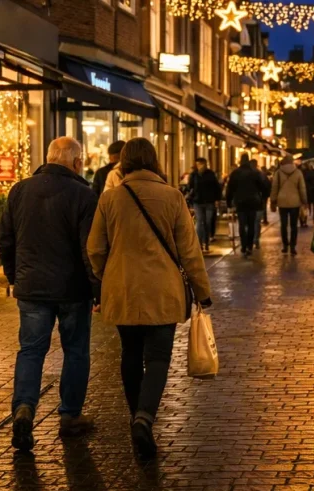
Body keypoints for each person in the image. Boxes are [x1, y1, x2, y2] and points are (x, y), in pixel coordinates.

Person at [86, 137, 212, 457]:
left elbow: (95, 248)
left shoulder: (110, 198)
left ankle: (135, 416)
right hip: (163, 290)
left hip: (123, 289)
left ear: (124, 161)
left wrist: (108, 274)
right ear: (154, 161)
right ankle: (144, 418)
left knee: (130, 352)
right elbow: (190, 251)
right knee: (157, 357)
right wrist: (202, 291)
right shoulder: (172, 196)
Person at [0, 137, 99, 451]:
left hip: (32, 287)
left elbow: (5, 239)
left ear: (48, 158)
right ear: (77, 162)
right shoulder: (84, 195)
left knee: (30, 350)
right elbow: (89, 249)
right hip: (73, 289)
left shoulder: (19, 190)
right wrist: (97, 289)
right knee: (76, 350)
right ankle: (70, 416)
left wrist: (15, 277)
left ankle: (24, 408)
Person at [226, 154, 267, 257]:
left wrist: (229, 202)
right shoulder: (255, 172)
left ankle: (243, 246)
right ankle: (249, 246)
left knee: (242, 224)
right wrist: (262, 198)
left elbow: (230, 188)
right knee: (251, 224)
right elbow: (263, 186)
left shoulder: (235, 173)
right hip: (253, 202)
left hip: (240, 201)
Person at [270, 155, 307, 255]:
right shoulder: (298, 172)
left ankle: (285, 245)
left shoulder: (278, 173)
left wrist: (273, 200)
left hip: (282, 202)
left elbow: (274, 187)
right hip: (295, 201)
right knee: (294, 225)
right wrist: (304, 201)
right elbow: (302, 188)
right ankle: (293, 246)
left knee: (283, 225)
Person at [187, 157, 222, 253]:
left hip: (209, 202)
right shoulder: (194, 175)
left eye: (201, 164)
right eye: (198, 164)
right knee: (200, 222)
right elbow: (190, 187)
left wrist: (217, 199)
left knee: (207, 222)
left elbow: (216, 187)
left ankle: (206, 243)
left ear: (205, 164)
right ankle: (199, 244)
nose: (199, 166)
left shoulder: (211, 174)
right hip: (198, 202)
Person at [255, 160, 271, 248]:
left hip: (248, 202)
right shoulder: (260, 175)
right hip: (259, 200)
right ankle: (256, 239)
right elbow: (266, 186)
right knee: (256, 221)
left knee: (247, 222)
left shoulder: (240, 173)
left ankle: (246, 243)